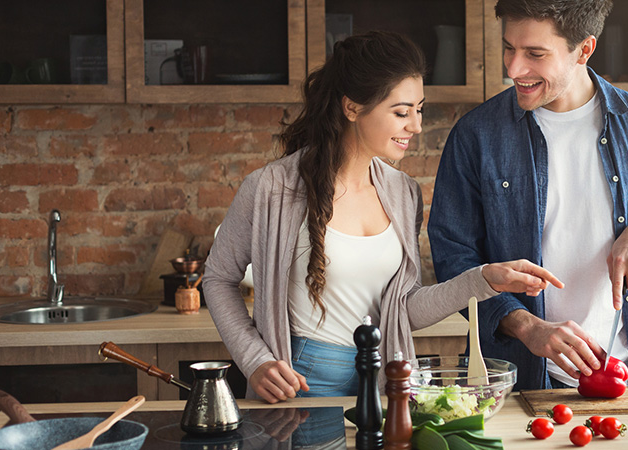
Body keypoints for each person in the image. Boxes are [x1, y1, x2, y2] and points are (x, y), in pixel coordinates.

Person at [203, 31, 562, 403]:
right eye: (401, 112)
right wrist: (255, 360)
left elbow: (403, 309)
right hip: (302, 382)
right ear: (353, 108)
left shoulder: (403, 193)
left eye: (419, 110)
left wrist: (484, 279)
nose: (416, 126)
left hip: (385, 382)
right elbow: (218, 279)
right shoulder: (271, 188)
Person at [428, 0, 628, 391]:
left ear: (584, 50)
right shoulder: (476, 136)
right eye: (509, 48)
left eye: (535, 54)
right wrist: (527, 325)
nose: (513, 68)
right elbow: (453, 260)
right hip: (519, 381)